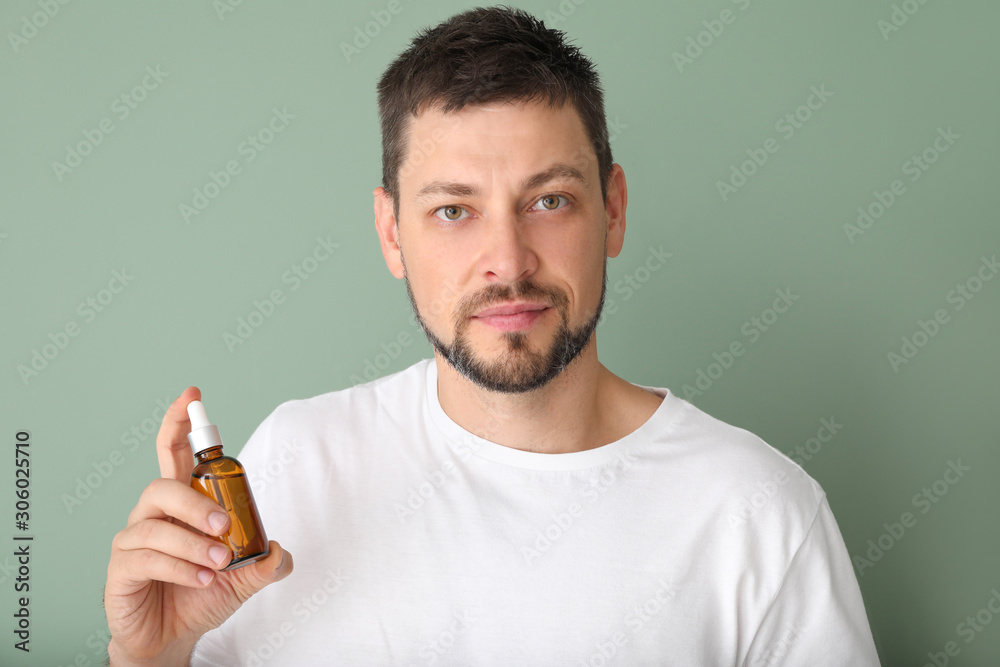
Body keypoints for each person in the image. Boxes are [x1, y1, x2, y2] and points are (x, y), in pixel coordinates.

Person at [104, 5, 882, 665]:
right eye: (453, 210)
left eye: (548, 200)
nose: (507, 262)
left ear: (612, 209)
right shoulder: (290, 469)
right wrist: (151, 657)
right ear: (391, 233)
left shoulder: (758, 514)